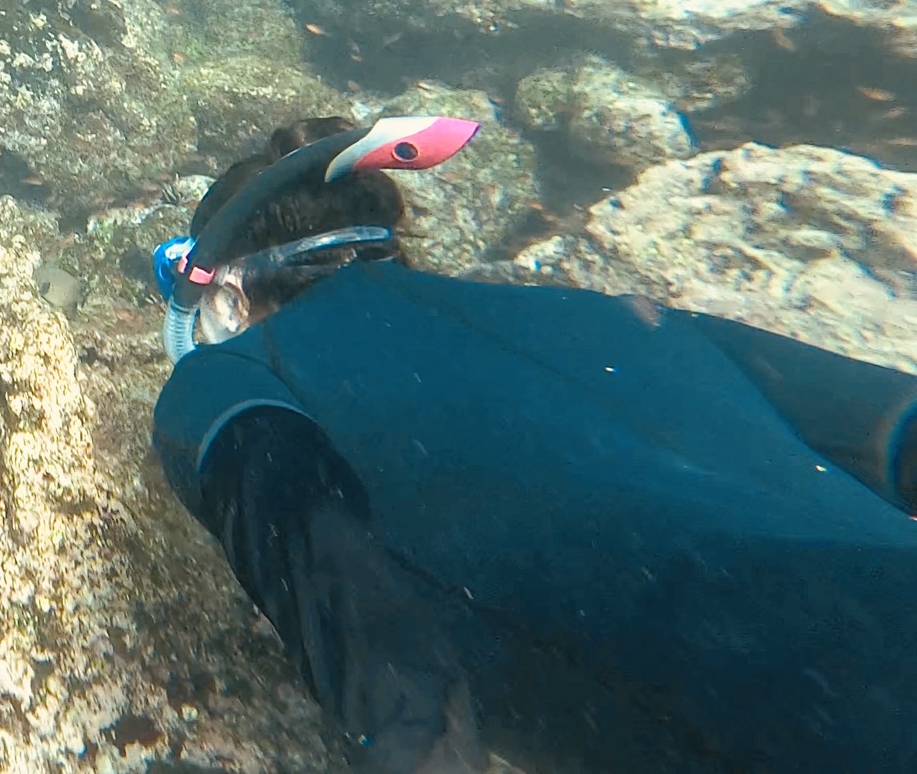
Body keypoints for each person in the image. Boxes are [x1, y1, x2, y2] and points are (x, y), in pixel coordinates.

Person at [149, 115, 917, 774]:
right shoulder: (623, 316)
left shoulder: (228, 376)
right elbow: (897, 423)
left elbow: (356, 610)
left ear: (223, 292)